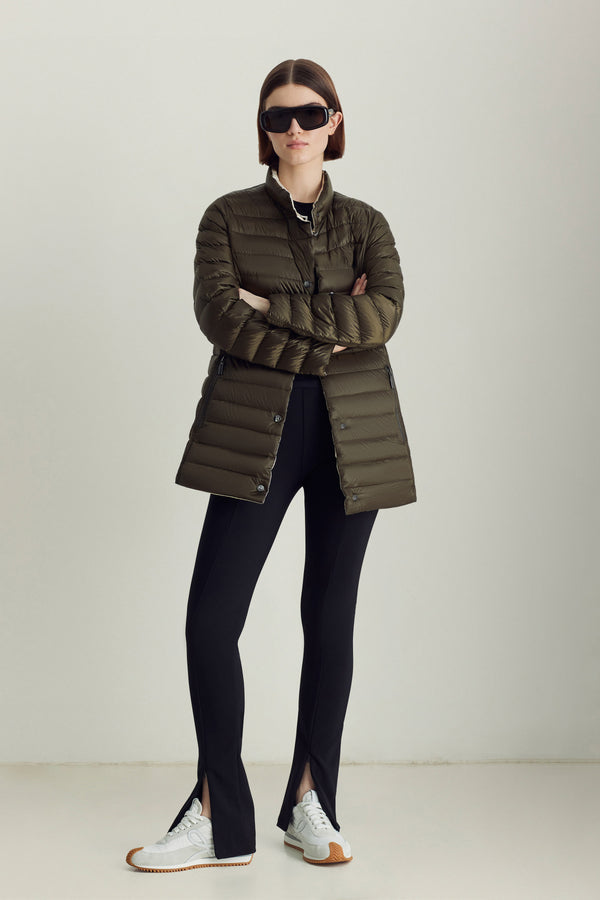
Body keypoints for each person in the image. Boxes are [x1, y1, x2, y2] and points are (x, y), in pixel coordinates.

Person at [126, 57, 416, 873]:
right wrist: (326, 331)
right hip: (255, 430)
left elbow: (384, 314)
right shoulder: (225, 217)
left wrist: (274, 305)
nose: (294, 128)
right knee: (212, 619)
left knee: (330, 619)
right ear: (263, 128)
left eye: (310, 113)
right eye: (278, 116)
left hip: (355, 434)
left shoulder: (368, 224)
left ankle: (310, 803)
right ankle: (219, 815)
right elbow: (223, 317)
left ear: (334, 122)